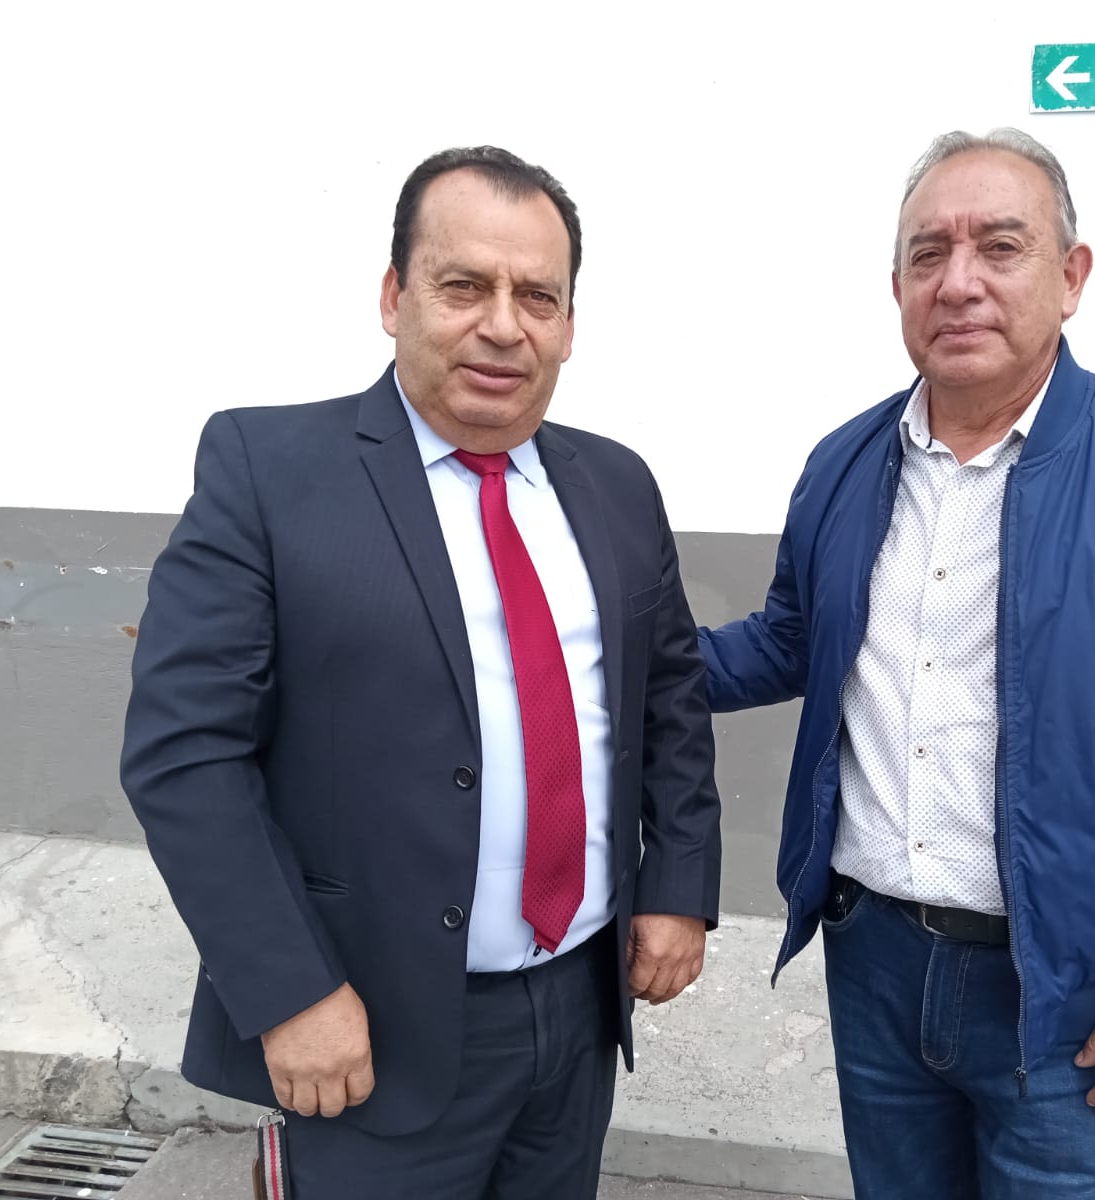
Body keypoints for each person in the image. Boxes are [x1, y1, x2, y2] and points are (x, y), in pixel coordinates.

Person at [697, 127, 1095, 1198]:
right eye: (928, 254)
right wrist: (601, 656)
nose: (959, 282)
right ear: (896, 287)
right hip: (873, 963)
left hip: (1070, 989)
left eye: (999, 246)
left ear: (1071, 277)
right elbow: (791, 640)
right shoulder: (844, 465)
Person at [121, 145, 721, 1198]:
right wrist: (289, 991)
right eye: (464, 286)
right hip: (368, 1024)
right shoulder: (269, 473)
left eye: (538, 296)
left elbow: (668, 696)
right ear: (395, 296)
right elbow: (185, 756)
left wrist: (677, 887)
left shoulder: (617, 484)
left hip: (580, 1009)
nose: (504, 325)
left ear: (569, 325)